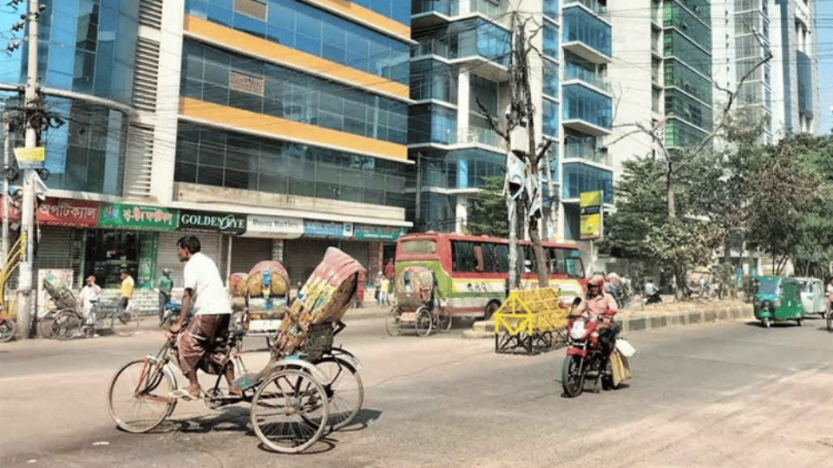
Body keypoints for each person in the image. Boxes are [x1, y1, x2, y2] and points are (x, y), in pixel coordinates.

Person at [169, 236, 235, 400]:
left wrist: (179, 322)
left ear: (186, 249)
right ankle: (234, 387)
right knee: (216, 351)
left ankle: (193, 387)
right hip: (224, 311)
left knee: (185, 343)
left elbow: (187, 294)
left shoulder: (192, 264)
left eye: (179, 249)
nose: (178, 253)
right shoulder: (207, 261)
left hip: (208, 312)